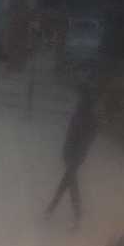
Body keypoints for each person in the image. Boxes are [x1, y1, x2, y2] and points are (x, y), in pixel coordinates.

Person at [44, 84, 98, 228]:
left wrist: (76, 153)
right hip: (72, 154)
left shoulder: (88, 117)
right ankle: (64, 211)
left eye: (81, 97)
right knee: (69, 182)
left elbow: (86, 137)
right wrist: (67, 151)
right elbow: (72, 133)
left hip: (76, 155)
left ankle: (57, 209)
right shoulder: (81, 114)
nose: (79, 99)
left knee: (69, 182)